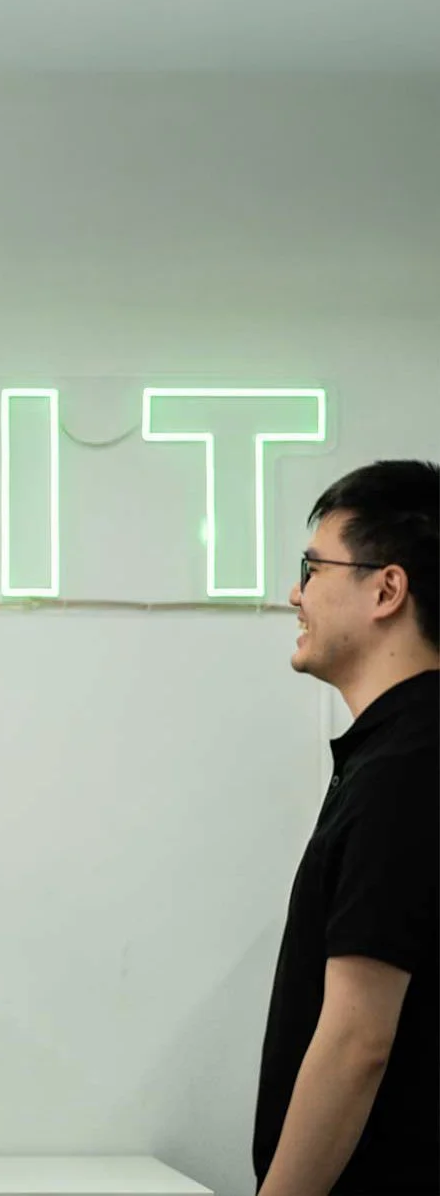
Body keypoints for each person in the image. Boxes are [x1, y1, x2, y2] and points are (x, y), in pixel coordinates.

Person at [253, 459, 438, 1195]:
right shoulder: (397, 754)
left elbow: (359, 1038)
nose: (296, 594)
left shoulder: (407, 768)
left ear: (386, 589)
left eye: (313, 567)